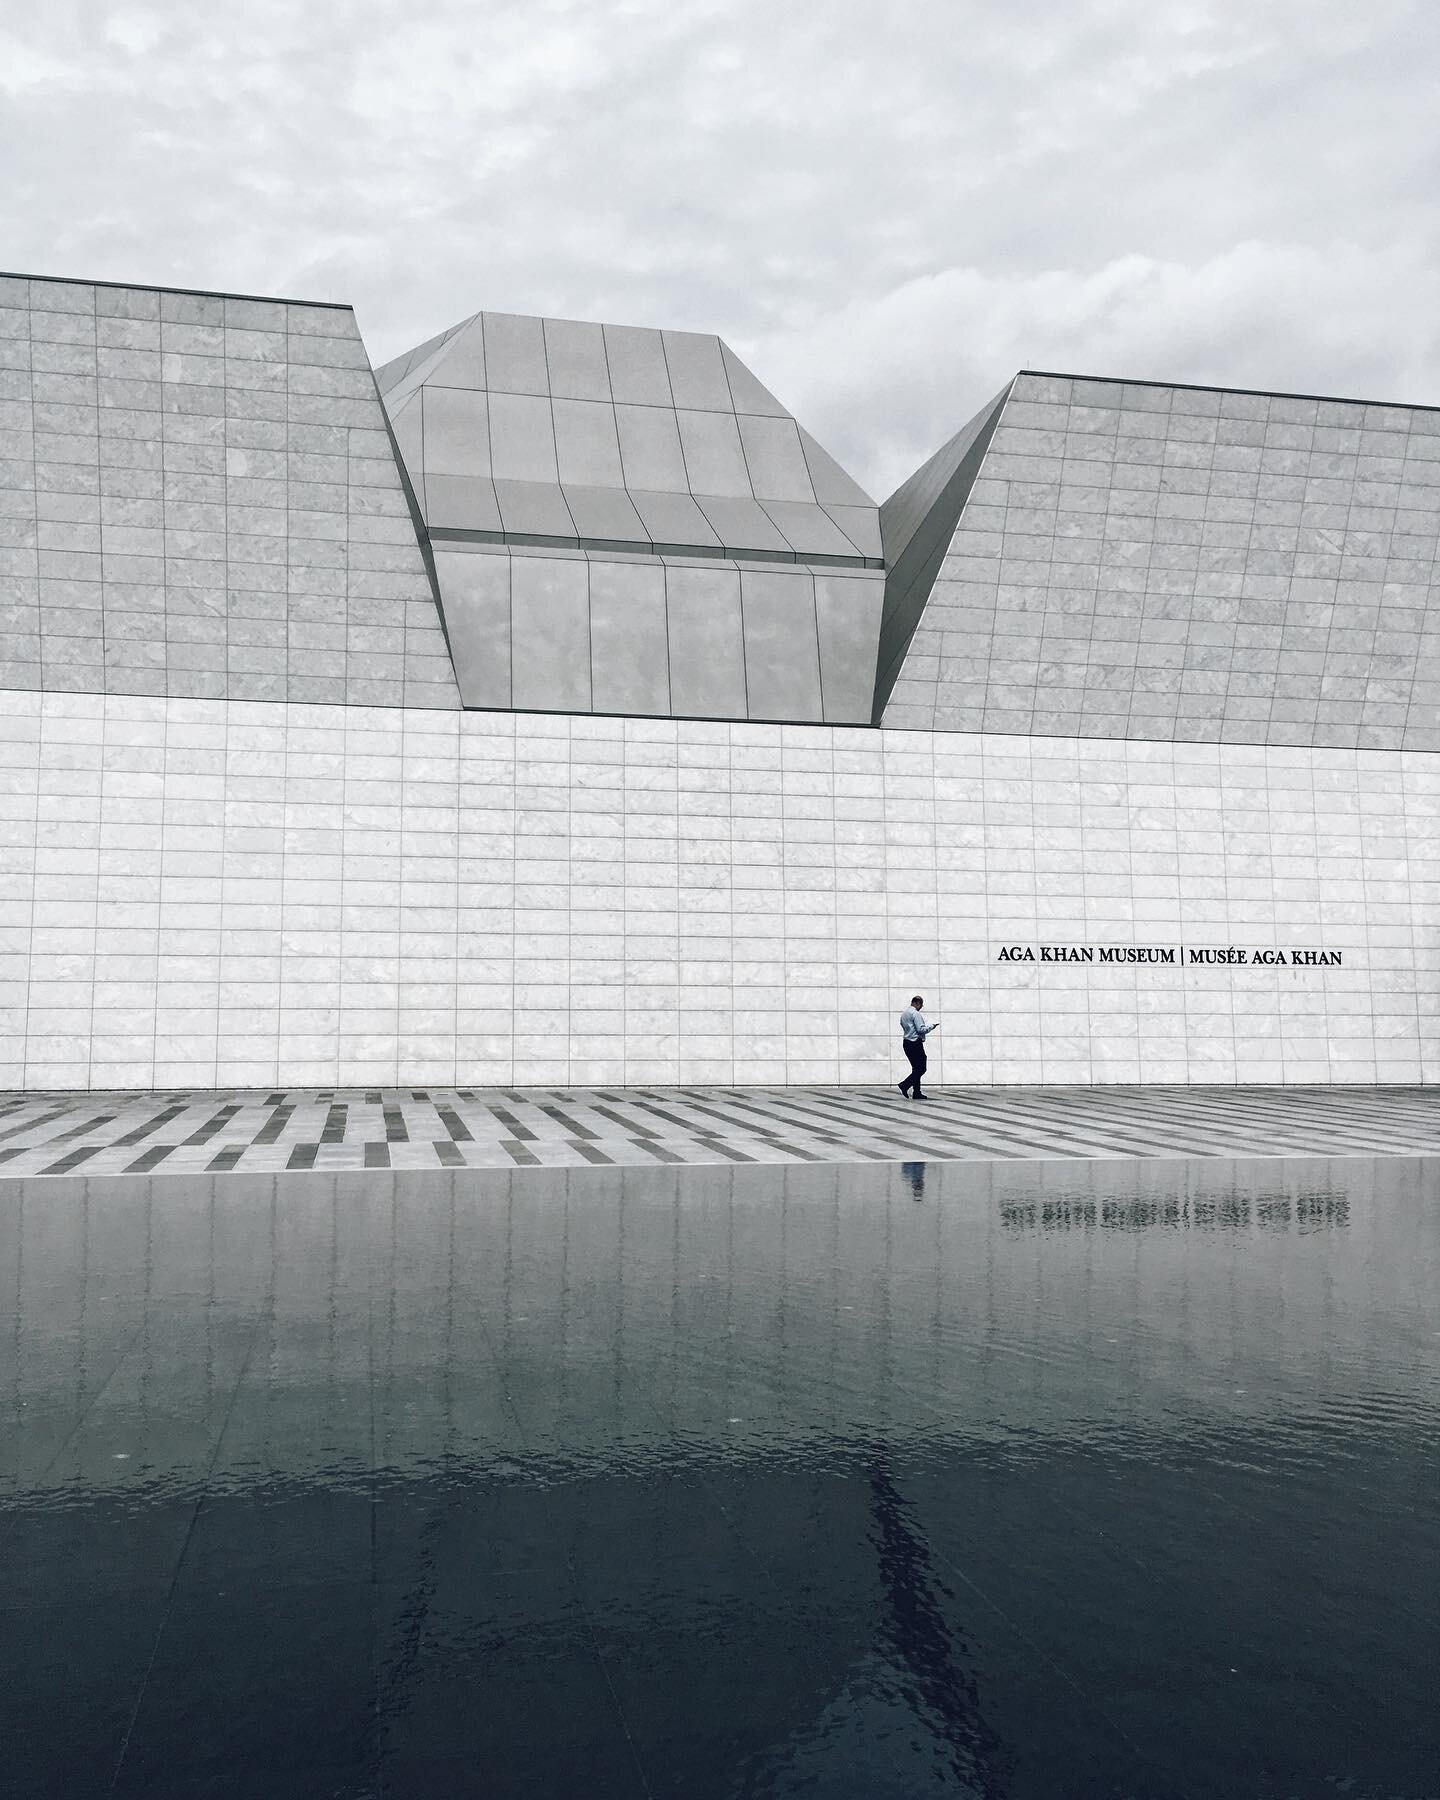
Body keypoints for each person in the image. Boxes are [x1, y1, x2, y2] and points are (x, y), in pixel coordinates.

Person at [898, 996, 937, 1100]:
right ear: (917, 1003)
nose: (921, 1007)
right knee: (921, 1068)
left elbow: (903, 1025)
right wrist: (931, 1026)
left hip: (906, 1042)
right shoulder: (916, 1014)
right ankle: (905, 1085)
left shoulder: (904, 1014)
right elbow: (920, 1029)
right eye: (921, 1005)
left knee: (916, 1068)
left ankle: (917, 1092)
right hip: (915, 1043)